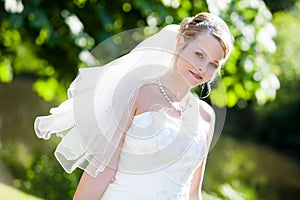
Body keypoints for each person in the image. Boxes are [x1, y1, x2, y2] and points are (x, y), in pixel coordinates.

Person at [34, 12, 232, 200]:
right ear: (180, 43)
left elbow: (193, 191)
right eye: (199, 54)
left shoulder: (206, 116)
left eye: (213, 64)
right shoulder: (139, 94)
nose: (202, 68)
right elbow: (103, 169)